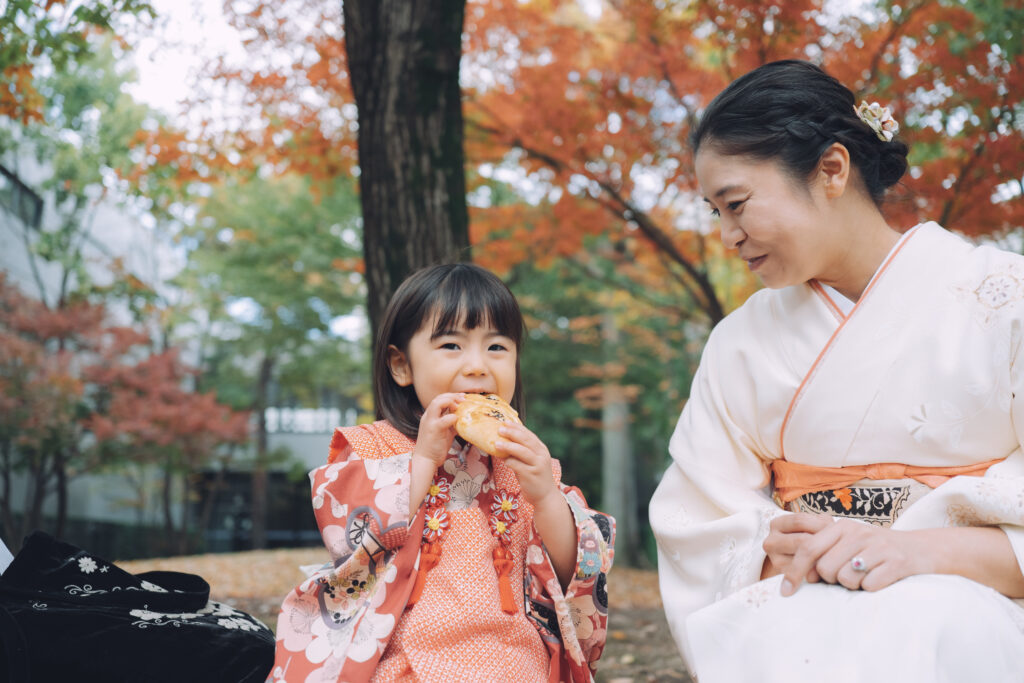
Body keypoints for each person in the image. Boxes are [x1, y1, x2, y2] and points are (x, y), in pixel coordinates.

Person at [650, 59, 1024, 682]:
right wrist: (786, 550)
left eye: (736, 204)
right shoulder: (739, 343)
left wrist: (914, 553)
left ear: (831, 169)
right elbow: (698, 521)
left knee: (926, 622)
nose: (727, 236)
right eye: (716, 211)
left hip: (982, 608)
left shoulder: (1009, 300)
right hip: (802, 604)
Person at [269, 263, 615, 683]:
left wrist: (544, 496)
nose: (477, 366)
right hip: (407, 655)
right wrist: (422, 461)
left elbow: (572, 569)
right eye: (452, 345)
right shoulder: (372, 447)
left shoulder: (523, 462)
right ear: (401, 366)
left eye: (497, 347)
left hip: (512, 659)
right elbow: (351, 539)